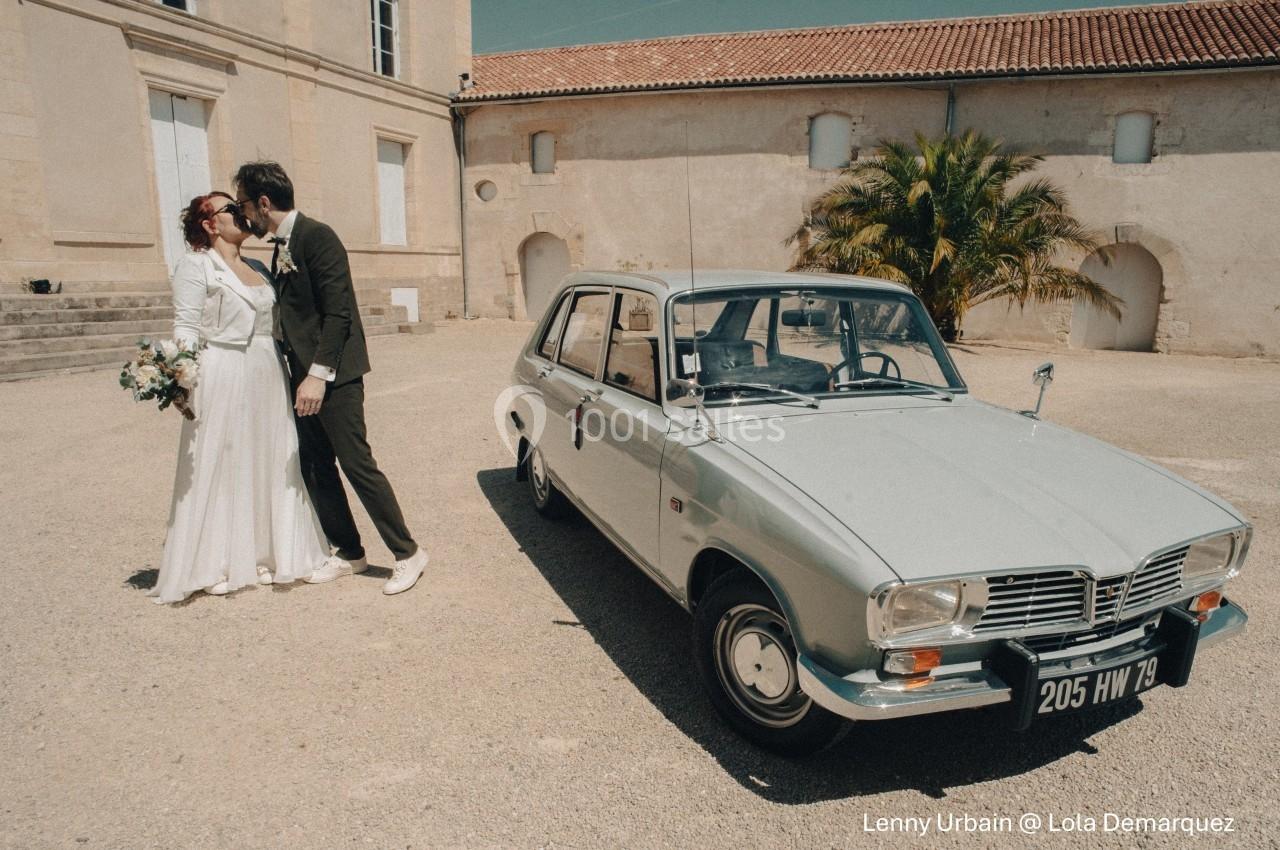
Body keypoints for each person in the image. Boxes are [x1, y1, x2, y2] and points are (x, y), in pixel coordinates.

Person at [233, 162, 428, 595]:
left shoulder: (317, 237)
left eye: (244, 204)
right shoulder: (279, 245)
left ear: (263, 203)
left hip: (333, 377)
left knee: (357, 463)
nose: (243, 215)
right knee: (317, 465)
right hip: (301, 374)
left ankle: (408, 553)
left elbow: (339, 314)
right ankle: (350, 552)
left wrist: (318, 377)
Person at [150, 192, 330, 604]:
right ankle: (215, 561)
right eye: (229, 209)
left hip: (266, 371)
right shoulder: (196, 265)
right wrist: (181, 376)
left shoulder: (256, 267)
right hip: (223, 369)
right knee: (223, 458)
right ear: (210, 224)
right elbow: (187, 323)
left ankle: (271, 552)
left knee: (269, 455)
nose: (240, 213)